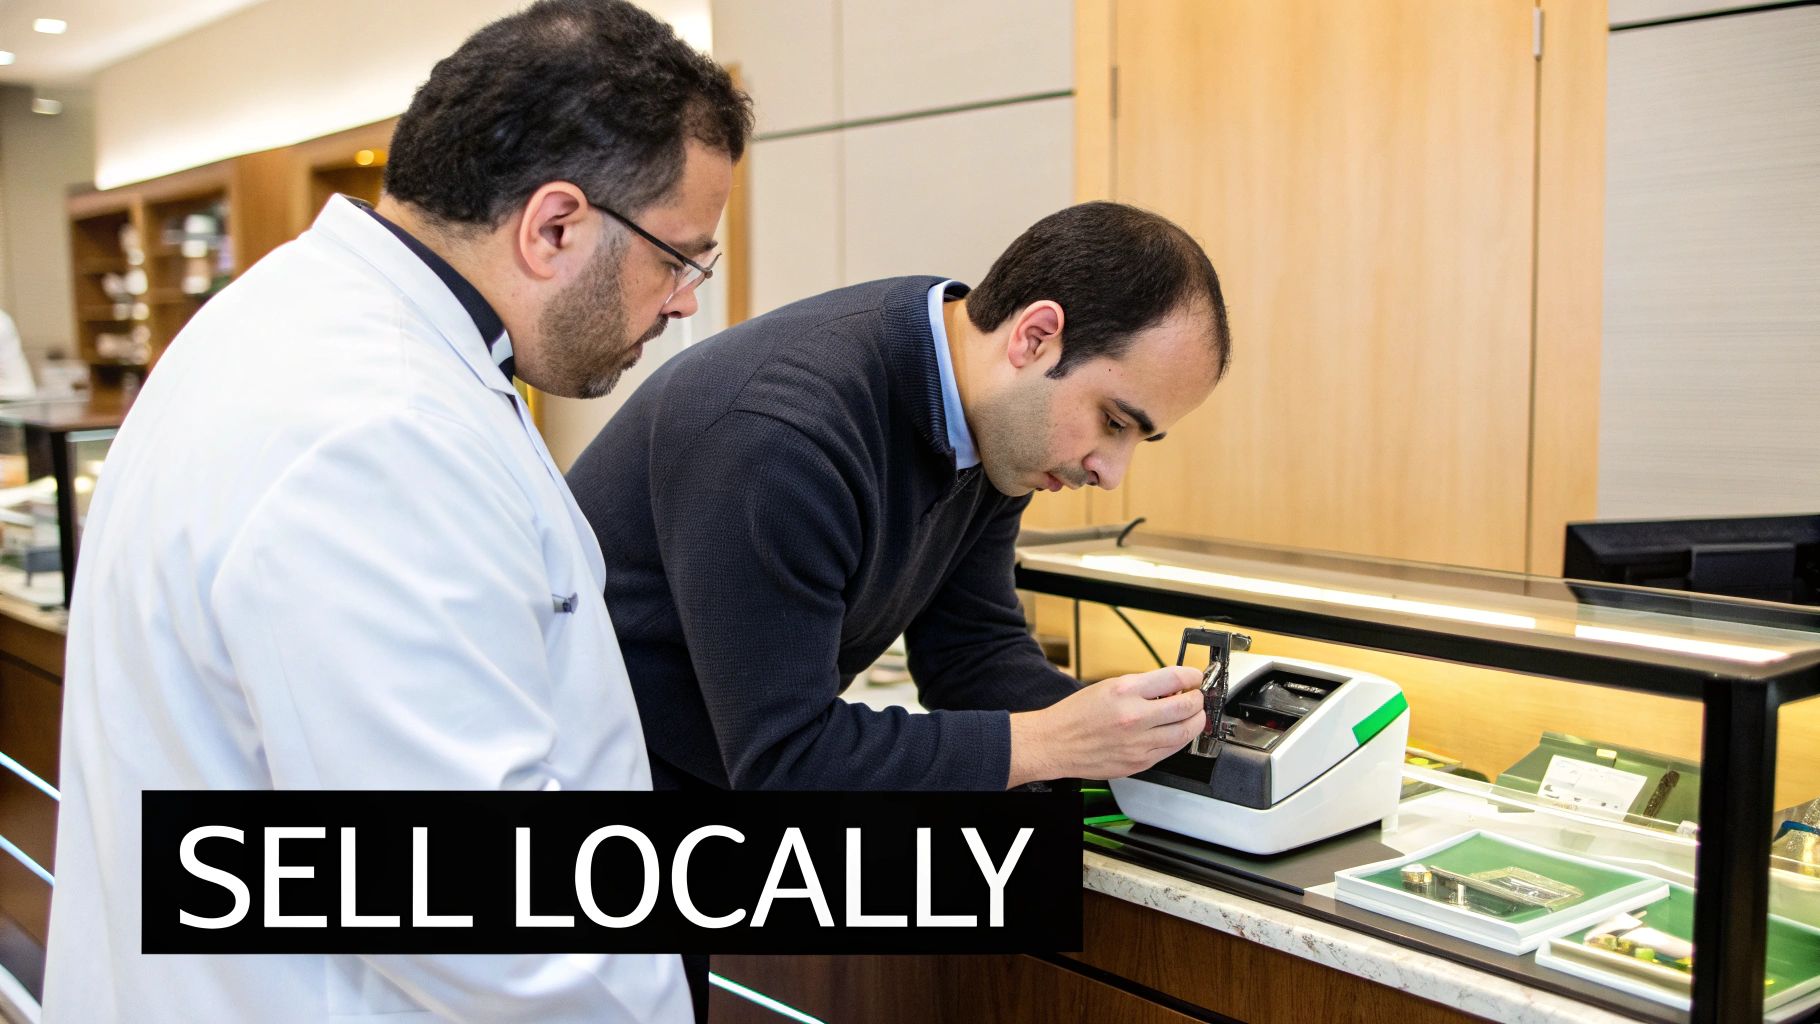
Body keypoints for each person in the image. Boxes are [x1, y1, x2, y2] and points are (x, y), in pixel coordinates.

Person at [44, 2, 749, 1021]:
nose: (683, 300)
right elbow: (470, 903)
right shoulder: (379, 431)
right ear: (554, 226)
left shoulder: (305, 323)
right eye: (678, 258)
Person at [566, 201, 1231, 796]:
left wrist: (1141, 733)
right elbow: (786, 760)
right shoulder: (782, 436)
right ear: (1034, 337)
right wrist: (1052, 742)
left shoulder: (994, 426)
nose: (1110, 472)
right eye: (1113, 421)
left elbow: (971, 656)